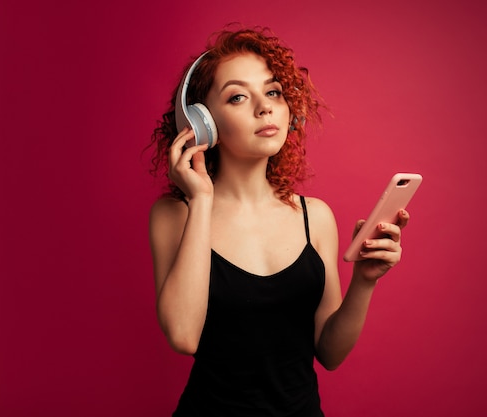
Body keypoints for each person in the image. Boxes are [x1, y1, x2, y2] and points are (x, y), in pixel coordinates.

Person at [148, 25, 411, 417]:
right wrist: (201, 197)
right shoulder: (176, 214)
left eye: (273, 91)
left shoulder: (315, 217)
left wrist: (365, 280)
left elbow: (330, 352)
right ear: (202, 122)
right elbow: (184, 336)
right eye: (238, 96)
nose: (264, 107)